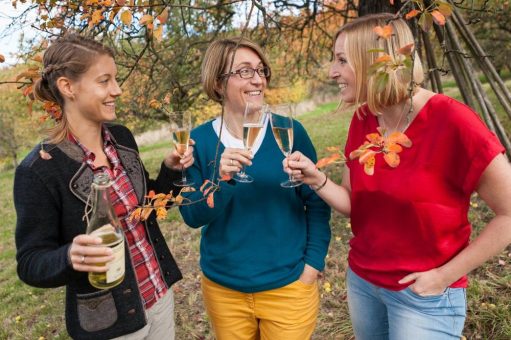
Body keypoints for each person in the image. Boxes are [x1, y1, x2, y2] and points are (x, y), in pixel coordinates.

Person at [285, 13, 511, 340]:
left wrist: (444, 276)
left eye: (342, 60)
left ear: (375, 62)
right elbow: (353, 204)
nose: (333, 71)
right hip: (364, 283)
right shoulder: (364, 119)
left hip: (425, 298)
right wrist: (316, 178)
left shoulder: (453, 122)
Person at [14, 34, 194, 340]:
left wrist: (171, 172)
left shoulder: (121, 138)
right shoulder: (40, 169)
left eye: (116, 79)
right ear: (68, 87)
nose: (117, 90)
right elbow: (30, 263)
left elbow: (147, 210)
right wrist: (70, 256)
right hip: (110, 323)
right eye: (105, 80)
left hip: (159, 294)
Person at [178, 37, 331, 339]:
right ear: (219, 83)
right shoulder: (198, 141)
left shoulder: (288, 131)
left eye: (261, 70)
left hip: (288, 287)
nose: (258, 79)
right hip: (224, 290)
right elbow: (193, 217)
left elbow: (316, 203)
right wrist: (220, 181)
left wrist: (312, 265)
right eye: (245, 71)